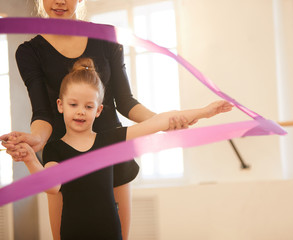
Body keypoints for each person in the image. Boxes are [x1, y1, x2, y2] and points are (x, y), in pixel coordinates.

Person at [0, 0, 189, 239]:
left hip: (111, 152)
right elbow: (43, 113)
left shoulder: (106, 37)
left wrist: (163, 121)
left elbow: (126, 101)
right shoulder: (29, 51)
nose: (59, 1)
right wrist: (35, 139)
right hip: (62, 157)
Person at [11, 57, 233, 240]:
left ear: (98, 111)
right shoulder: (55, 149)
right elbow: (52, 186)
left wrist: (204, 112)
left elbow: (159, 121)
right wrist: (30, 158)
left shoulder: (110, 140)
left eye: (88, 106)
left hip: (110, 233)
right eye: (73, 104)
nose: (80, 111)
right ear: (60, 105)